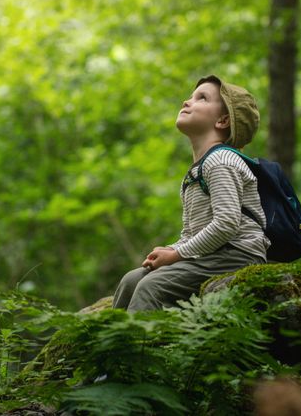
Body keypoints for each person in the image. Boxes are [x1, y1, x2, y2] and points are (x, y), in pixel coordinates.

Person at [112, 74, 269, 312]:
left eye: (201, 98)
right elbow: (190, 232)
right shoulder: (195, 173)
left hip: (239, 254)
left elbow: (226, 224)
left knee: (150, 286)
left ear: (223, 120)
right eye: (190, 97)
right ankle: (113, 344)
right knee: (131, 280)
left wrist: (177, 255)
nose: (187, 102)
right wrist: (172, 250)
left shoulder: (221, 160)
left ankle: (140, 348)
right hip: (213, 255)